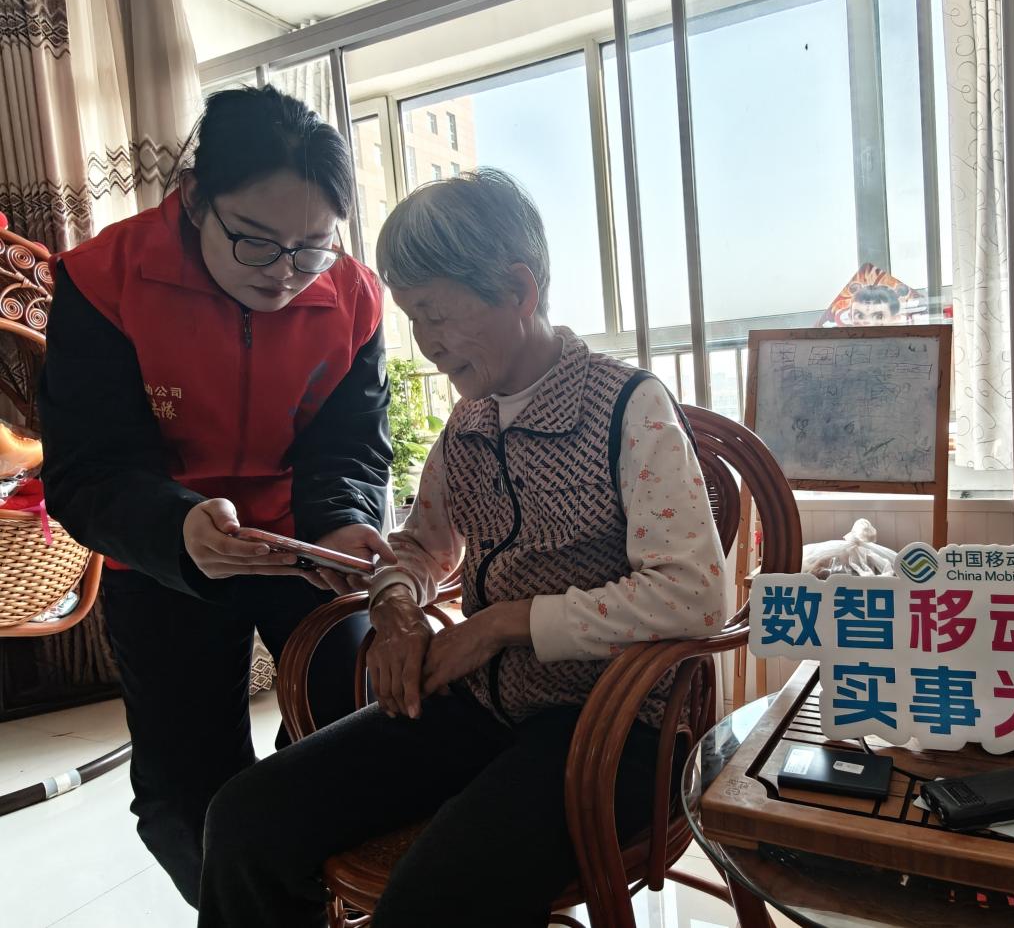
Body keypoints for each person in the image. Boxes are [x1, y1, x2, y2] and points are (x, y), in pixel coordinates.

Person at [198, 168, 727, 927]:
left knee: (436, 896)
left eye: (438, 314)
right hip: (481, 706)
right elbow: (421, 548)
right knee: (246, 819)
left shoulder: (625, 407)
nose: (427, 343)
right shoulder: (468, 426)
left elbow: (694, 594)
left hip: (613, 726)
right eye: (413, 317)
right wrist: (396, 608)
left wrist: (503, 625)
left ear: (518, 289)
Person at [36, 85, 394, 907]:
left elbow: (349, 448)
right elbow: (88, 472)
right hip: (165, 550)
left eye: (313, 246)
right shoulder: (104, 281)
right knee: (181, 795)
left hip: (303, 544)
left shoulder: (353, 296)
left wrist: (344, 524)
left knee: (354, 735)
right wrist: (177, 527)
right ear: (195, 197)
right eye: (256, 242)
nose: (286, 273)